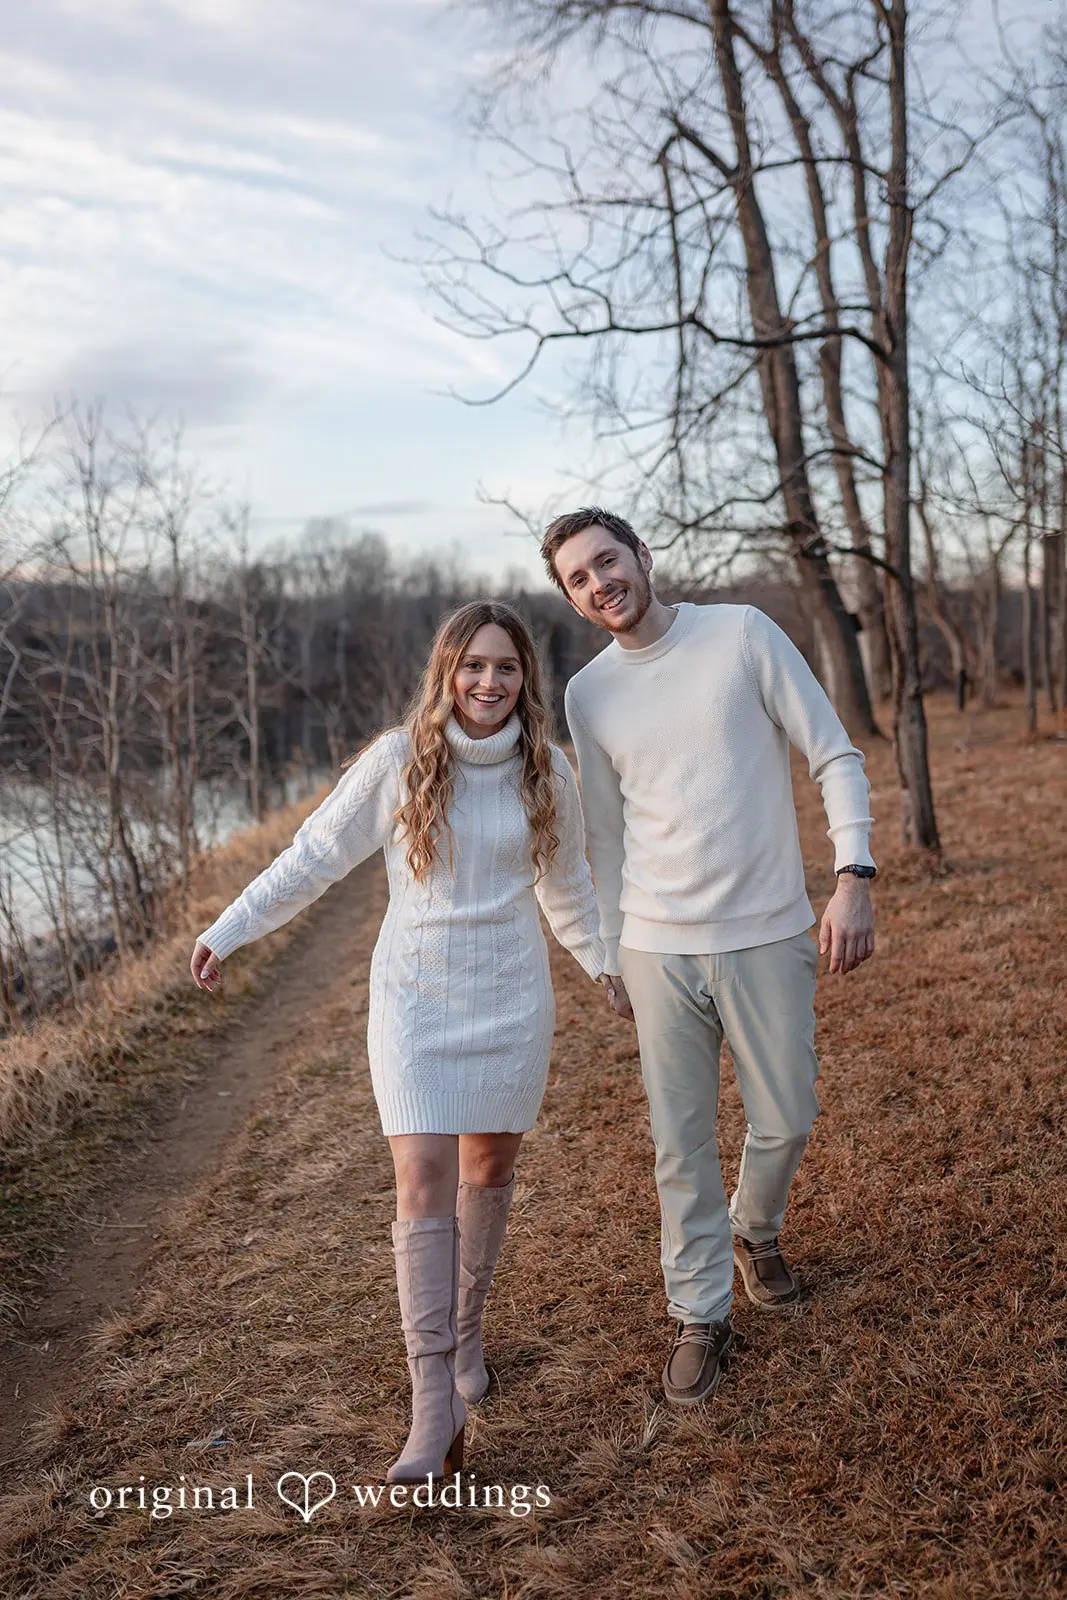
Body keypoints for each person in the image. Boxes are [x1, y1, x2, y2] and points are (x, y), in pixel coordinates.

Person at [190, 601, 609, 1479]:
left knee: (487, 1171)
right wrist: (227, 929)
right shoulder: (398, 760)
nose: (488, 682)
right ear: (445, 672)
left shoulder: (547, 770)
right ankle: (432, 1414)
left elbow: (566, 887)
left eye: (505, 667)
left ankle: (465, 1337)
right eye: (472, 666)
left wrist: (605, 967)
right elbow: (312, 858)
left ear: (524, 677)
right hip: (416, 1000)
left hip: (509, 996)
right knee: (422, 1177)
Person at [542, 508, 877, 1408]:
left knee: (789, 1115)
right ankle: (698, 1313)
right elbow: (604, 838)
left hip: (766, 930)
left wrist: (853, 874)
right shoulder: (588, 694)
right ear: (573, 599)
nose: (598, 582)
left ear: (641, 556)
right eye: (577, 578)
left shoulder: (740, 634)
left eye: (605, 561)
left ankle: (755, 1227)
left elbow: (833, 753)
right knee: (678, 1146)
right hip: (656, 949)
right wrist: (609, 951)